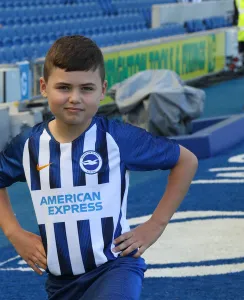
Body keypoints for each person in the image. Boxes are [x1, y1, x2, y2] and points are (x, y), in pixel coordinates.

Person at [0, 35, 198, 299]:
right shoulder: (28, 145)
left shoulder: (118, 138)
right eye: (63, 88)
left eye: (86, 88)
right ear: (43, 87)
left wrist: (155, 224)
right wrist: (14, 232)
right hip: (60, 281)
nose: (74, 98)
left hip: (115, 266)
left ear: (103, 90)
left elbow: (186, 161)